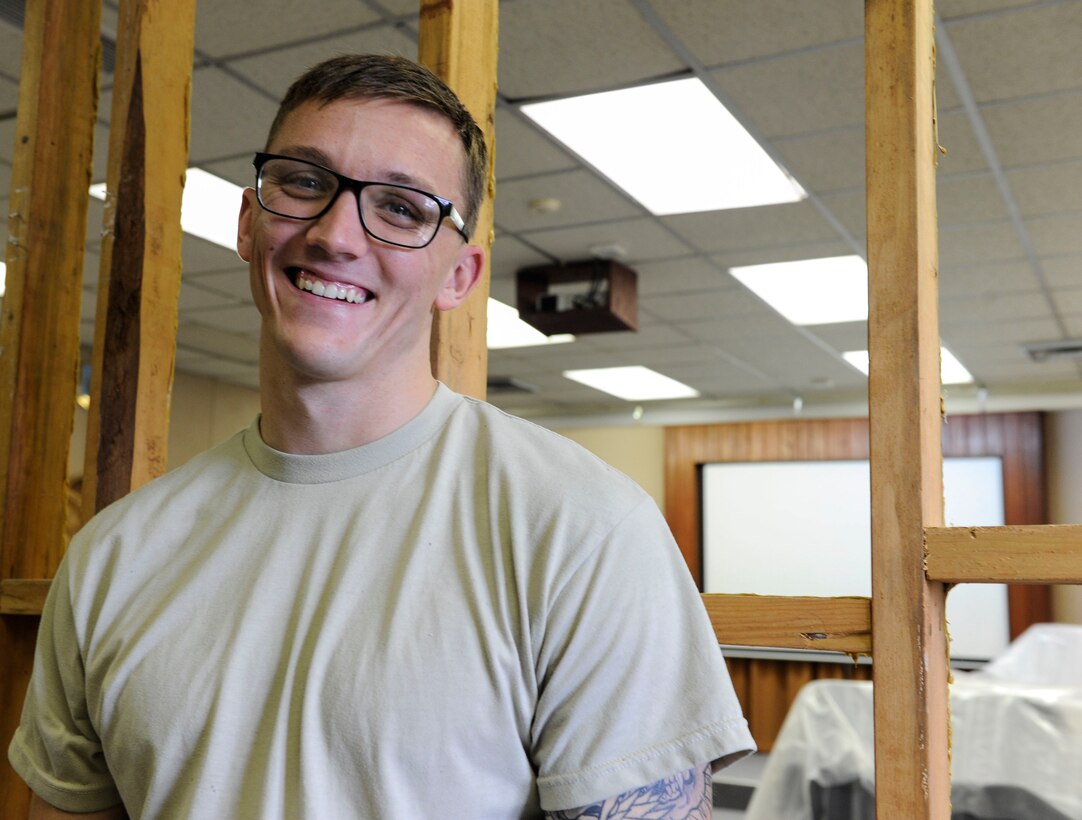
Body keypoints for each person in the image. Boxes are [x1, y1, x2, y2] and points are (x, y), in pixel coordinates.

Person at [9, 54, 754, 819]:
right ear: (247, 221)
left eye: (400, 208)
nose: (335, 234)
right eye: (302, 181)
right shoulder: (112, 558)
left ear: (460, 277)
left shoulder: (582, 531)